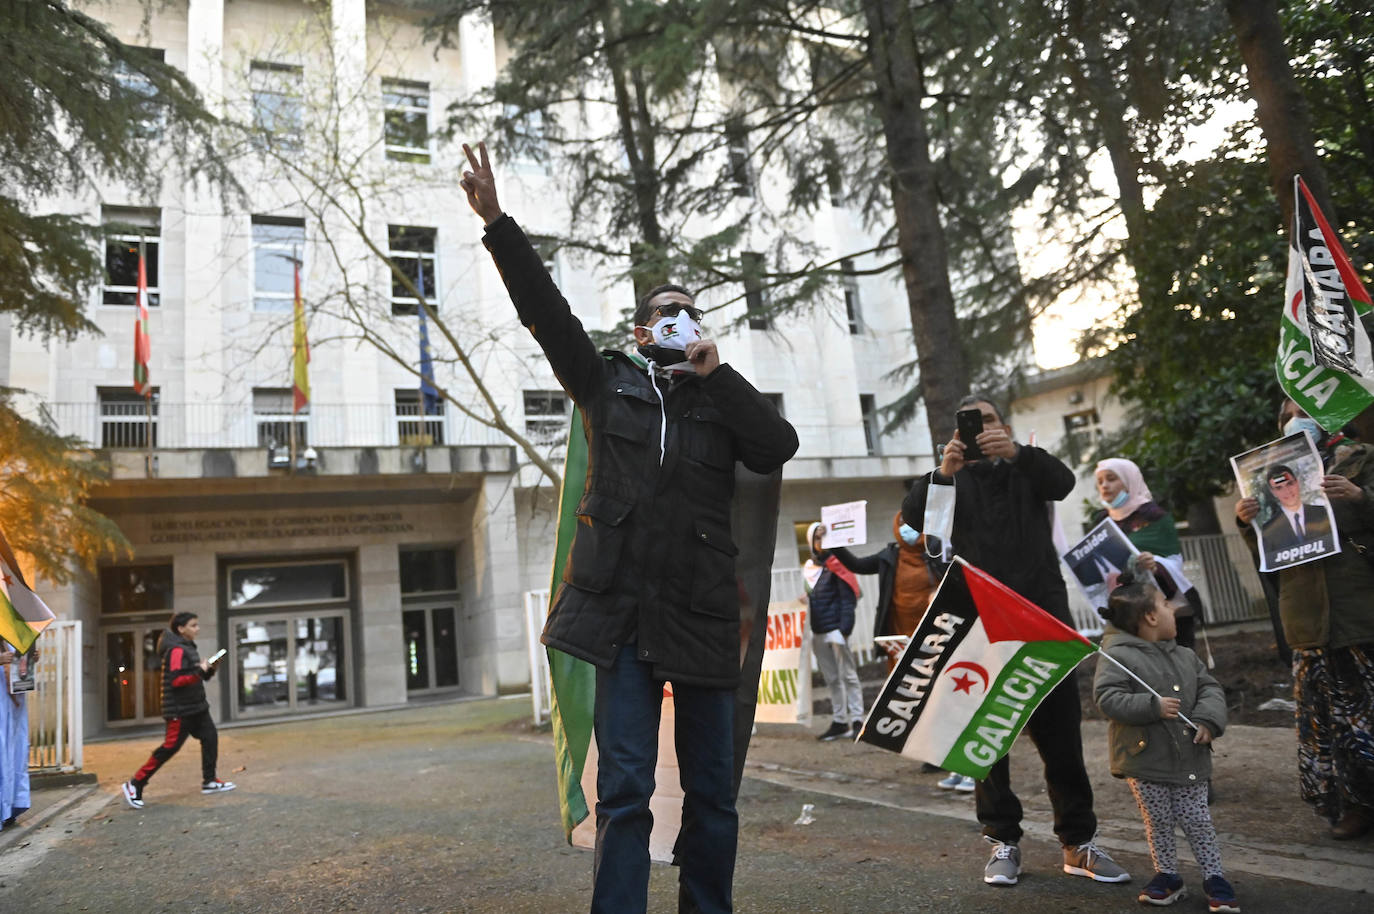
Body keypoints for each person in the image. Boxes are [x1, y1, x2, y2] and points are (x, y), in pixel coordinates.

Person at [461, 142, 798, 914]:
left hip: (706, 618)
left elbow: (777, 448)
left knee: (713, 795)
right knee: (625, 793)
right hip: (621, 619)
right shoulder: (605, 382)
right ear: (642, 331)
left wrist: (719, 375)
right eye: (663, 311)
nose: (678, 318)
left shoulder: (723, 398)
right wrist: (499, 224)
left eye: (690, 310)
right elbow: (546, 315)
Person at [902, 394, 1129, 887]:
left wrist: (1017, 454)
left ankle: (1077, 843)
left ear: (1004, 427)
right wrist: (945, 471)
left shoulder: (1028, 467)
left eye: (989, 421)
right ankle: (1002, 841)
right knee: (986, 740)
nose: (981, 430)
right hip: (981, 629)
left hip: (1042, 624)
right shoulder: (948, 478)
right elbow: (914, 518)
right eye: (971, 424)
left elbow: (1064, 483)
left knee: (1062, 738)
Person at [1235, 399, 1374, 840]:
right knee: (1330, 723)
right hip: (1306, 619)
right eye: (1288, 413)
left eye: (1307, 407)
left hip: (1358, 610)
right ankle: (1354, 805)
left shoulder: (1362, 458)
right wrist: (1247, 524)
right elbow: (1268, 557)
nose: (1298, 418)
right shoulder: (1269, 478)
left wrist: (1361, 498)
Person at [1094, 569, 1238, 912]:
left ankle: (1214, 876)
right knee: (1157, 820)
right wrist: (1151, 706)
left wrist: (1207, 720)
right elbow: (1107, 698)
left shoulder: (1185, 654)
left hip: (1189, 754)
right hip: (1145, 759)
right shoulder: (1118, 656)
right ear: (1151, 616)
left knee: (1197, 819)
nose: (1174, 607)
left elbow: (1209, 688)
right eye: (1166, 603)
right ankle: (1168, 875)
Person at [824, 513, 967, 787]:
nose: (908, 531)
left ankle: (950, 753)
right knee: (915, 697)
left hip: (937, 638)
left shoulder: (935, 554)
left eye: (914, 526)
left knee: (941, 695)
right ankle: (932, 752)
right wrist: (836, 543)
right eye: (903, 525)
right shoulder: (889, 556)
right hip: (903, 643)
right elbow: (856, 564)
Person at [121, 612, 234, 808]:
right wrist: (200, 669)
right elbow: (176, 680)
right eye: (193, 625)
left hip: (197, 707)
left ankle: (210, 781)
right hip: (180, 711)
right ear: (181, 629)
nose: (197, 629)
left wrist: (210, 668)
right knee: (169, 748)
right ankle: (135, 783)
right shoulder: (176, 650)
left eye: (197, 625)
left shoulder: (188, 648)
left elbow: (196, 677)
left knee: (210, 737)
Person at [1093, 458, 1205, 649]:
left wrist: (1155, 565)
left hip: (1167, 613)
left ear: (1130, 481)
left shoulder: (1154, 516)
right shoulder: (1102, 522)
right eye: (1100, 481)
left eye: (1111, 479)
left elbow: (1174, 561)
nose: (1105, 486)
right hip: (1127, 616)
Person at [801, 523, 864, 741]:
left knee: (848, 675)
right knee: (832, 678)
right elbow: (815, 597)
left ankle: (857, 720)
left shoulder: (838, 565)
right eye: (817, 538)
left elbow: (848, 599)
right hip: (818, 631)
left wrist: (844, 629)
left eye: (824, 537)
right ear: (811, 542)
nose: (821, 542)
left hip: (837, 629)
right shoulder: (809, 569)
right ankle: (839, 721)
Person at [1258, 464, 1336, 561]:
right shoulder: (1268, 530)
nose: (1287, 491)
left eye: (1289, 484)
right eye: (1279, 488)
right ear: (1273, 492)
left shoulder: (1323, 512)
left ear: (1297, 483)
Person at [0, 641, 31, 831]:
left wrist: (30, 659)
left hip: (13, 704)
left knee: (14, 755)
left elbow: (21, 665)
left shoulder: (11, 635)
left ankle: (10, 807)